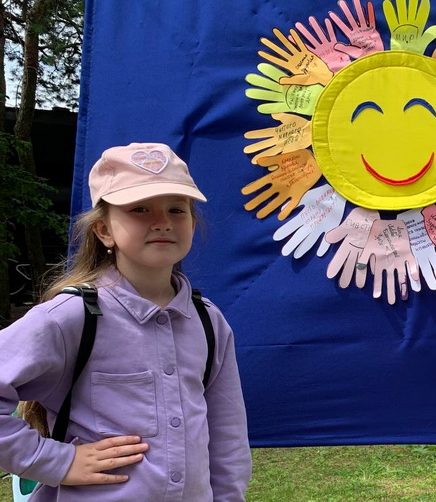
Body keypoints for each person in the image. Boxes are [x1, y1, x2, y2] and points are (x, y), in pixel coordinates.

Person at [0, 143, 251, 501]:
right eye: (140, 209)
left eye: (177, 209)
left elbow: (227, 434)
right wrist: (53, 460)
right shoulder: (70, 318)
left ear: (193, 224)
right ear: (104, 230)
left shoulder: (208, 321)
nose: (163, 221)